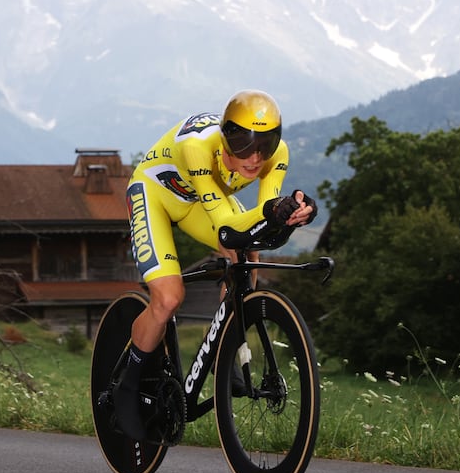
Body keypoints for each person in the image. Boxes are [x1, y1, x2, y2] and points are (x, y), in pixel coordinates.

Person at [114, 89, 317, 440]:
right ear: (226, 140)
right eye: (244, 147)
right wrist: (272, 213)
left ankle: (226, 350)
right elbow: (225, 225)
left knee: (248, 257)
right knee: (168, 298)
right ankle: (126, 390)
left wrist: (290, 213)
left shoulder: (276, 156)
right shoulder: (198, 149)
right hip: (154, 194)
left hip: (195, 202)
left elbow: (263, 217)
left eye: (265, 145)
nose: (255, 159)